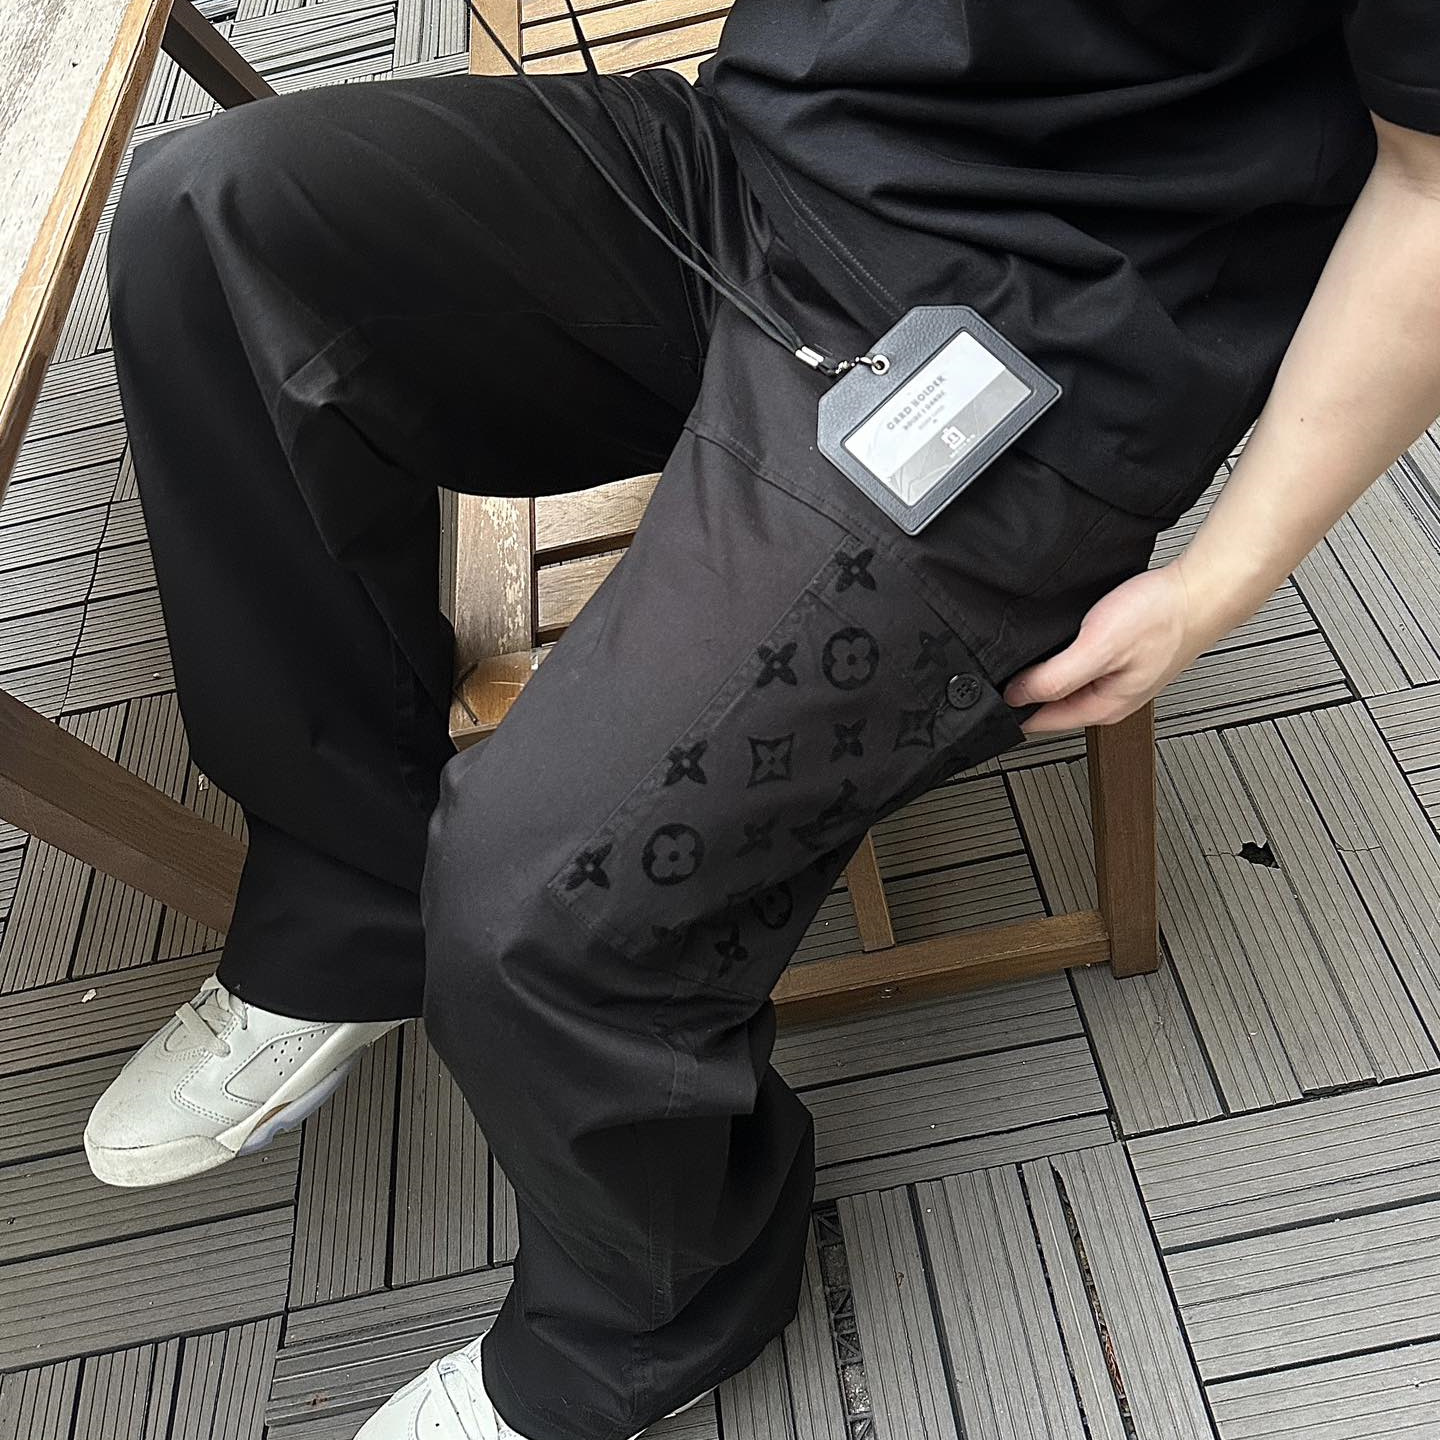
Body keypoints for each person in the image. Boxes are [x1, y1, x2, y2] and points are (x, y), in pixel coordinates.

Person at [87, 2, 1440, 1437]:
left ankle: (650, 1325)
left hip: (1043, 329)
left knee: (534, 899)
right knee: (207, 223)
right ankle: (351, 915)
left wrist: (1223, 580)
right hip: (765, 164)